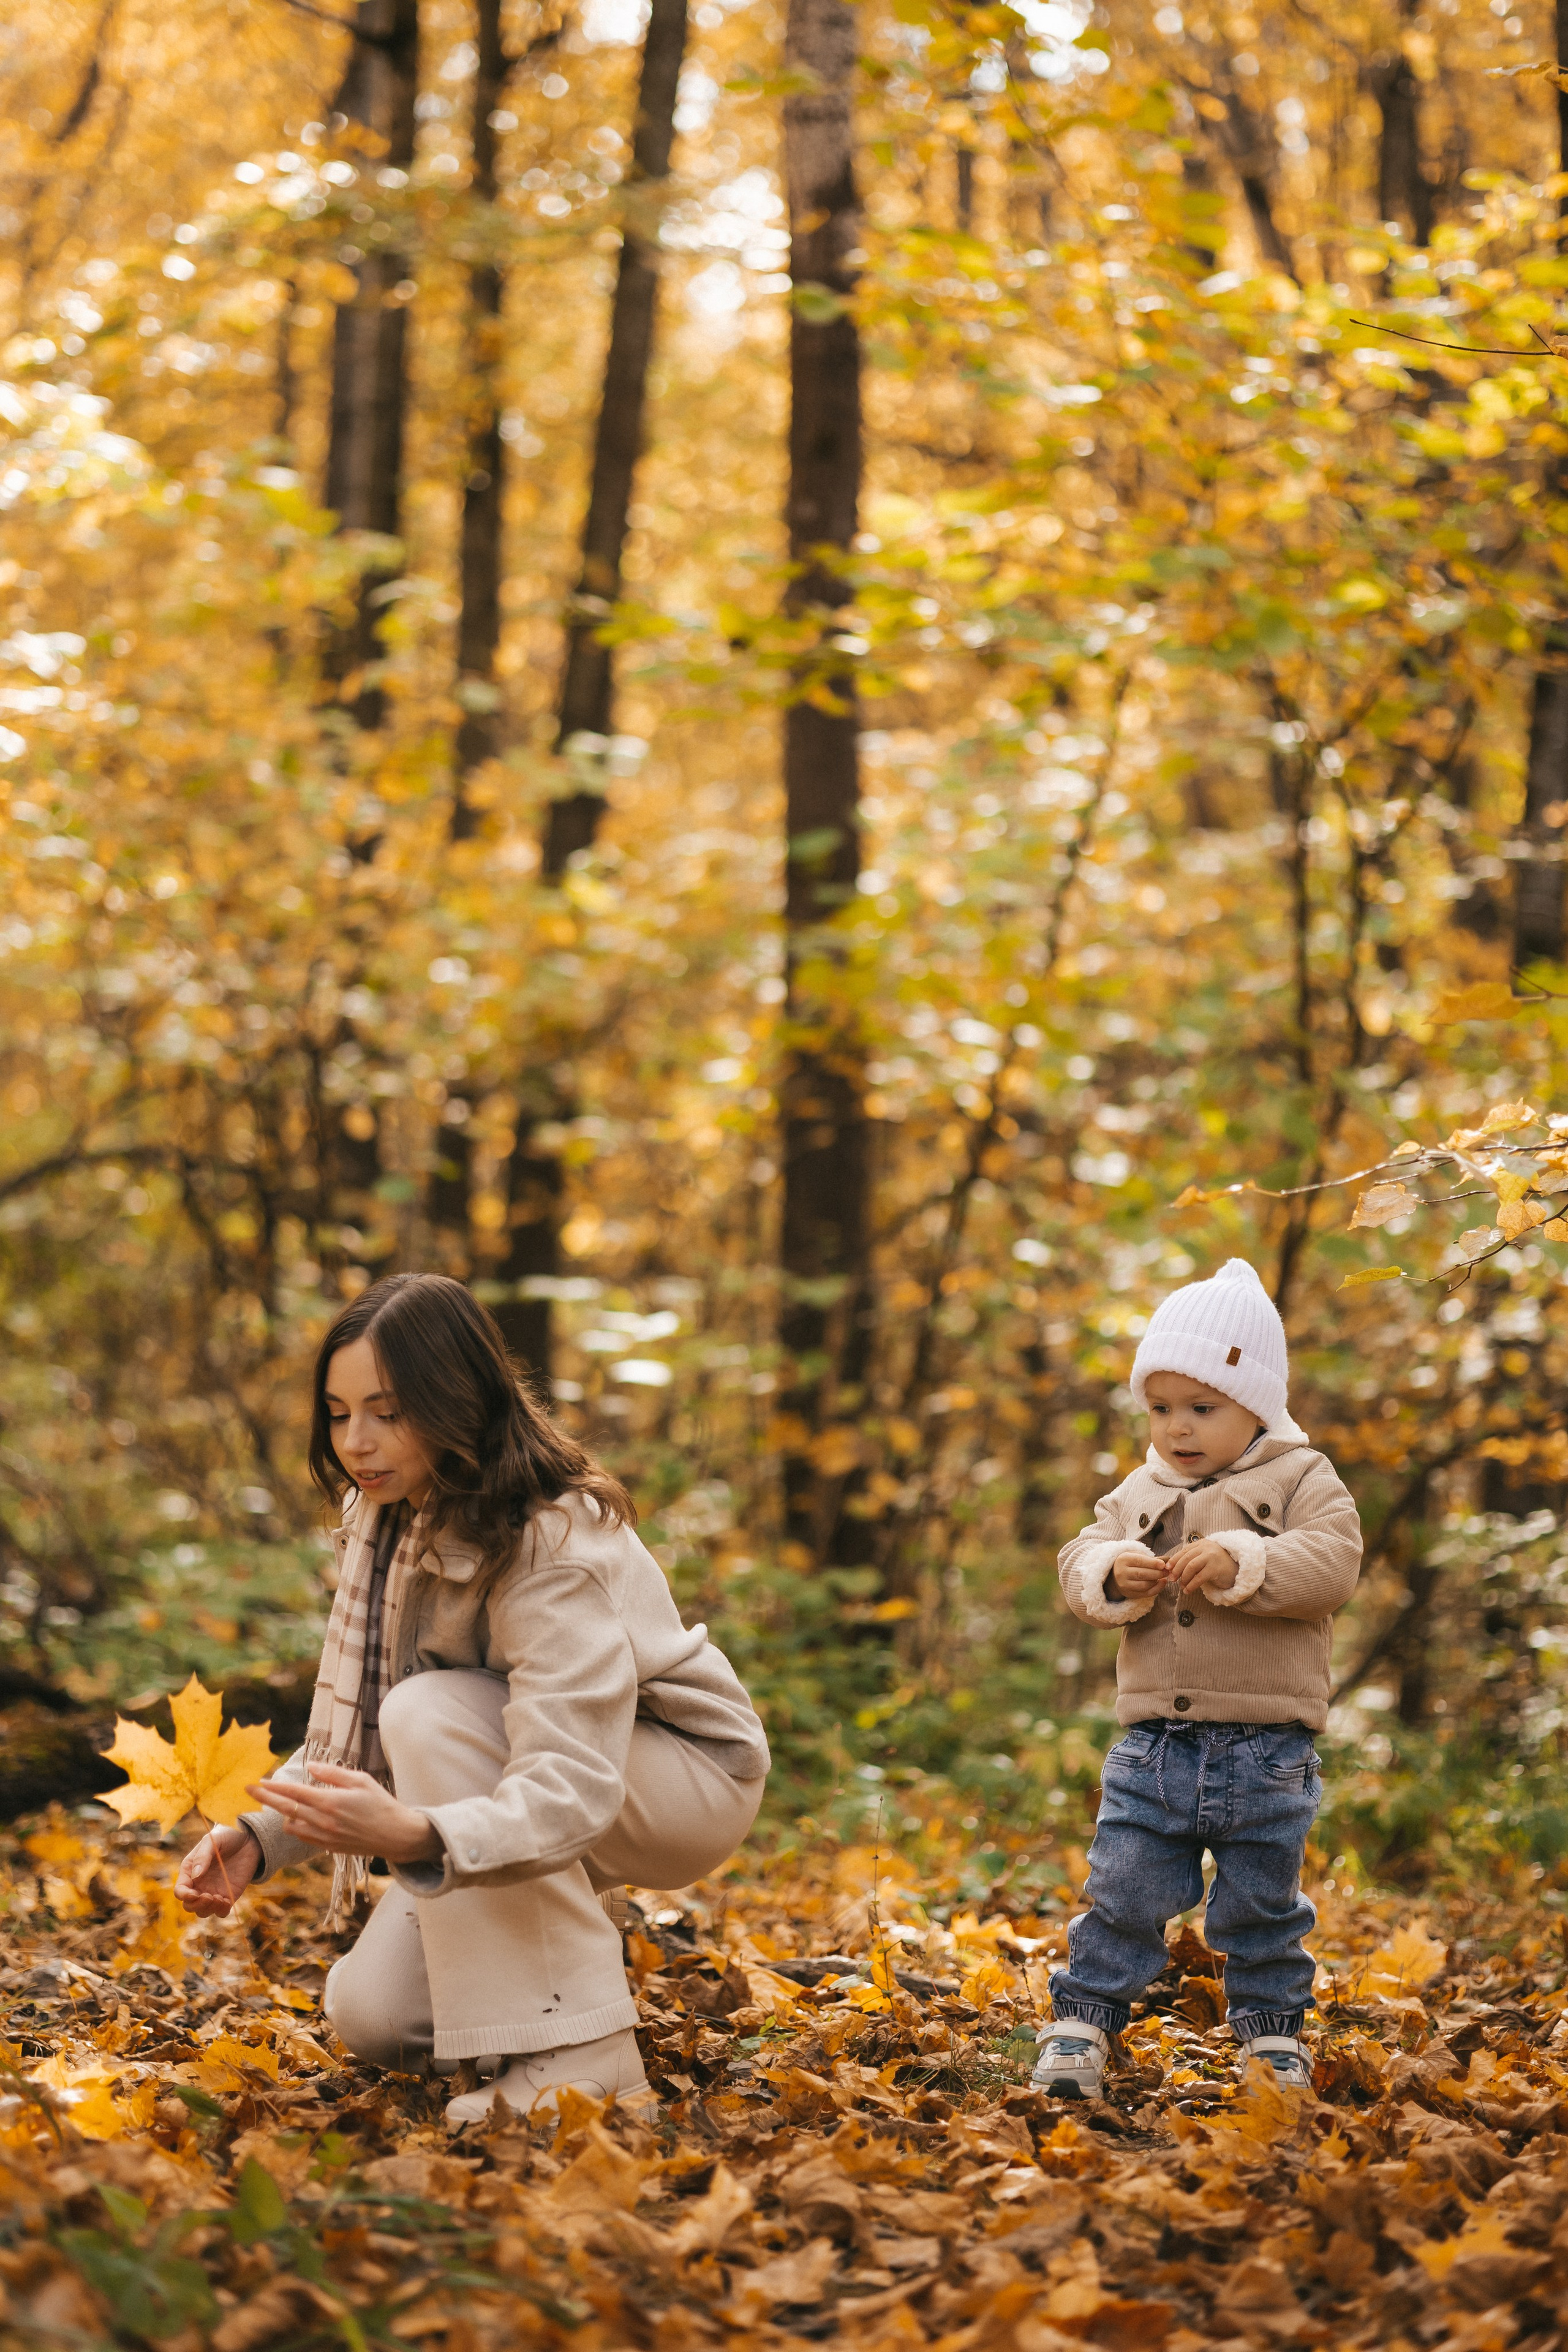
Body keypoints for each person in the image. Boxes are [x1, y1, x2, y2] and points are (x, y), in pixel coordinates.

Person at [175, 1272, 769, 2125]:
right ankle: (536, 1997)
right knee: (376, 2016)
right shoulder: (387, 1520)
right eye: (340, 1415)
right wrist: (261, 1838)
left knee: (427, 1711)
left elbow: (561, 1776)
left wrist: (421, 1833)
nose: (358, 1442)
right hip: (542, 1770)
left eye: (388, 1411)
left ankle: (586, 2057)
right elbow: (362, 1725)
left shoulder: (548, 1535)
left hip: (677, 1776)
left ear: (452, 1399)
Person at [1033, 1257, 1361, 2101]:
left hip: (1268, 1751)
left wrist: (1244, 1558)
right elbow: (1077, 1560)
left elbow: (1332, 1565)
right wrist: (1113, 1570)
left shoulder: (1301, 1478)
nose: (1177, 1428)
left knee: (1262, 1906)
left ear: (1257, 1402)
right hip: (1154, 1748)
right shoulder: (1141, 1489)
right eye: (1162, 1408)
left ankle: (1272, 2038)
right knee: (1123, 1889)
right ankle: (1084, 2024)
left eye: (1201, 1409)